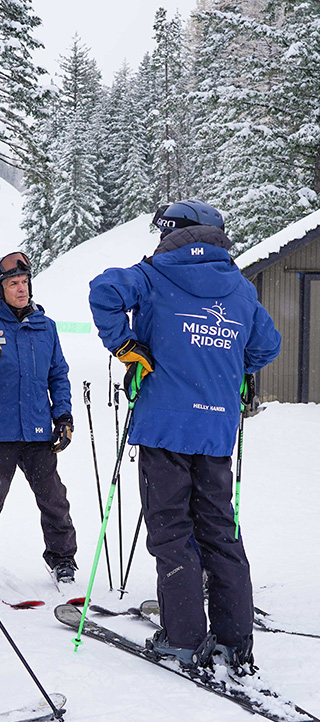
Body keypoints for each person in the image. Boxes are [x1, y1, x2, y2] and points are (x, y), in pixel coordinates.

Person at [88, 199, 281, 672]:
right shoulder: (238, 287)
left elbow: (104, 291)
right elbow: (267, 344)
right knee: (220, 531)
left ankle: (183, 636)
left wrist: (126, 346)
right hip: (215, 429)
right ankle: (234, 640)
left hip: (164, 426)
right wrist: (226, 369)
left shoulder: (152, 274)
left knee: (172, 530)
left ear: (174, 232)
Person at [0, 251, 77, 587]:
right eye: (13, 284)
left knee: (53, 497)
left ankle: (63, 559)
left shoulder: (45, 326)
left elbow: (58, 375)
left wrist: (63, 415)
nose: (21, 289)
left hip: (37, 430)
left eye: (24, 282)